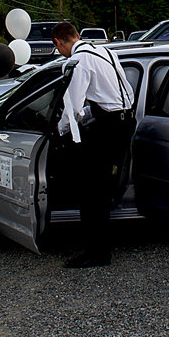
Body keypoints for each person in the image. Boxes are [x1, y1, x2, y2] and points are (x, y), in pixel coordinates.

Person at [52, 21, 135, 269]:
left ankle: (97, 254)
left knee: (91, 191)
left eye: (58, 49)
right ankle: (99, 249)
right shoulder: (106, 51)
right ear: (77, 35)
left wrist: (57, 131)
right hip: (125, 120)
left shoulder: (80, 61)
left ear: (58, 42)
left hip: (109, 128)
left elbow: (73, 107)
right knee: (100, 188)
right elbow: (117, 94)